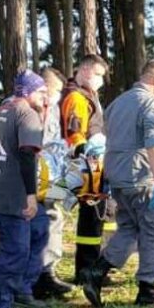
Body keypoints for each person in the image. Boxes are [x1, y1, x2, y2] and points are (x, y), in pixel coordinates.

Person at [81, 61, 154, 308]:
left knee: (129, 229)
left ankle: (97, 271)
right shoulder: (152, 105)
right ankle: (148, 290)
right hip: (140, 177)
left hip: (117, 177)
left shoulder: (116, 103)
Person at [0, 71, 50, 308]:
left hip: (1, 190)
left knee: (39, 229)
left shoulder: (1, 111)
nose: (46, 97)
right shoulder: (27, 114)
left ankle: (21, 288)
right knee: (14, 249)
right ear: (27, 93)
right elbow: (28, 155)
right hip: (15, 194)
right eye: (41, 92)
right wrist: (30, 195)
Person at [60, 54, 109, 284]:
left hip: (93, 164)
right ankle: (86, 270)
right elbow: (75, 135)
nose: (101, 80)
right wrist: (89, 159)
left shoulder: (89, 95)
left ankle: (93, 265)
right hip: (87, 166)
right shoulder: (77, 98)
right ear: (86, 70)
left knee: (98, 216)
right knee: (91, 217)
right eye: (98, 74)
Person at [31, 67, 74, 300]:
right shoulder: (25, 107)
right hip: (29, 177)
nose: (57, 95)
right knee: (33, 225)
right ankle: (32, 277)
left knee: (56, 216)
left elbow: (55, 144)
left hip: (52, 175)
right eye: (55, 90)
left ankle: (48, 272)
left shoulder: (54, 109)